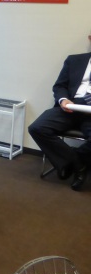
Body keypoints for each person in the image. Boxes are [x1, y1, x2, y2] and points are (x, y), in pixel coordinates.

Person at [28, 31, 91, 191]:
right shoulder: (74, 60)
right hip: (70, 106)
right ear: (90, 39)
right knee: (37, 128)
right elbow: (59, 86)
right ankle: (79, 165)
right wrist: (63, 100)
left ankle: (73, 162)